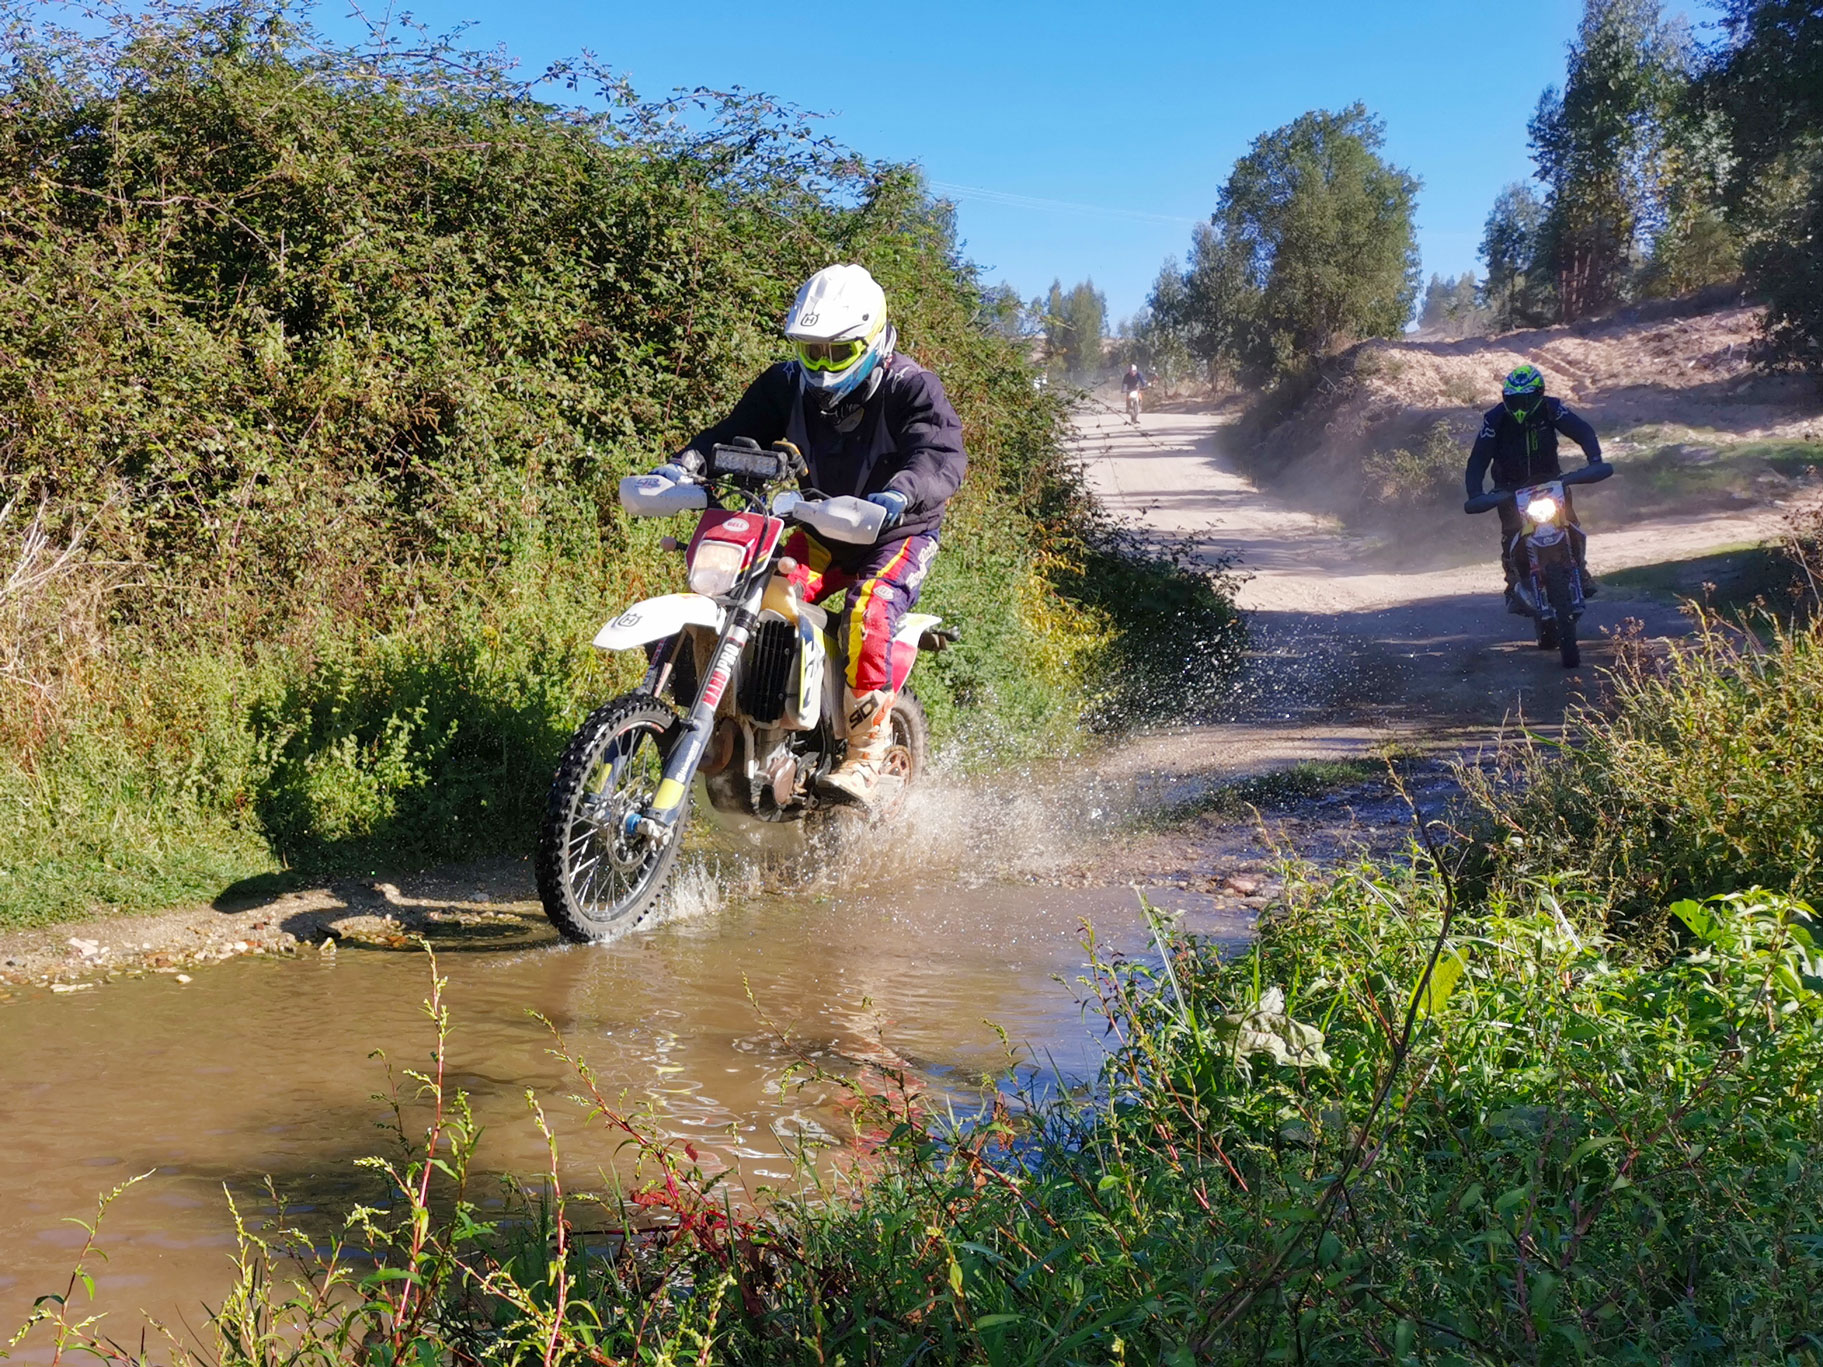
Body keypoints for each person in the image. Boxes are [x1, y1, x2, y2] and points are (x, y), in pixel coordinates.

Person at [660, 263, 967, 808]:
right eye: (811, 351)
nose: (822, 367)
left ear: (872, 340)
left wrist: (896, 495)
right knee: (750, 586)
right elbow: (734, 432)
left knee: (869, 610)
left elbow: (940, 456)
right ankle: (746, 721)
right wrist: (685, 465)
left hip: (897, 532)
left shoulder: (911, 387)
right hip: (822, 524)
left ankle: (866, 756)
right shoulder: (786, 382)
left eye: (837, 353)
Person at [1465, 364, 1606, 613]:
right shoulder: (1494, 419)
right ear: (1505, 398)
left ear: (1539, 394)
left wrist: (1595, 460)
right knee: (1511, 533)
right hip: (1509, 488)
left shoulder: (1552, 409)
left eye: (1526, 399)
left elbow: (1582, 431)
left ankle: (1581, 571)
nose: (1520, 405)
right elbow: (1478, 458)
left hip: (1550, 482)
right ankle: (1514, 584)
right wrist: (1475, 493)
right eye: (1514, 400)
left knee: (1570, 523)